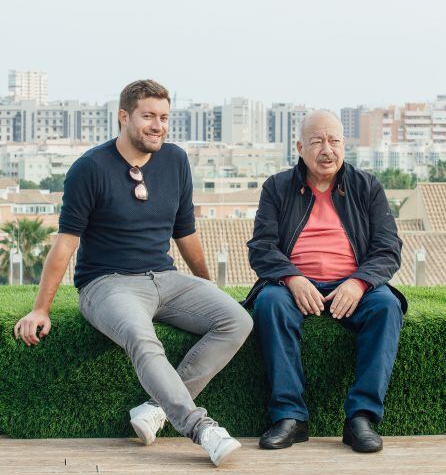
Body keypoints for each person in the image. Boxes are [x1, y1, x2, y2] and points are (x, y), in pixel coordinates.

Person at [14, 78, 253, 467]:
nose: (158, 125)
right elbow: (65, 244)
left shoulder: (175, 160)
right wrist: (41, 308)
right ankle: (199, 426)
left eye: (163, 117)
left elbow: (186, 232)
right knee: (142, 338)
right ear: (124, 117)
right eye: (148, 116)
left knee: (236, 320)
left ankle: (155, 407)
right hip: (106, 285)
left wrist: (206, 284)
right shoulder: (89, 168)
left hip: (165, 277)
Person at [244, 109, 406, 453]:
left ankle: (360, 418)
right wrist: (291, 277)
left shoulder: (367, 187)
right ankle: (290, 417)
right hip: (293, 285)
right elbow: (261, 248)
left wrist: (359, 282)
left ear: (344, 145)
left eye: (334, 140)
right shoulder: (277, 187)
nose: (326, 149)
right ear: (300, 147)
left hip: (353, 284)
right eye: (317, 141)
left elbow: (388, 249)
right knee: (270, 303)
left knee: (387, 306)